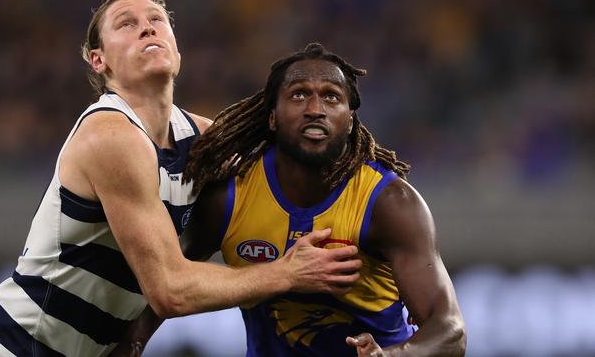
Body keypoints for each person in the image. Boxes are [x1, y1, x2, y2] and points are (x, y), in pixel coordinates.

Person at [0, 0, 362, 357]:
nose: (147, 27)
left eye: (156, 20)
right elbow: (169, 290)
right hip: (11, 347)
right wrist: (287, 272)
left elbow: (293, 163)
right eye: (127, 24)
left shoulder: (201, 138)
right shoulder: (110, 134)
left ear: (177, 51)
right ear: (100, 60)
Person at [120, 42, 467, 356]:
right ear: (272, 117)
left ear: (349, 121)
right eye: (299, 95)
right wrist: (132, 343)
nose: (315, 108)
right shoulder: (229, 196)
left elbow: (450, 330)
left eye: (331, 96)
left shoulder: (389, 203)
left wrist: (390, 356)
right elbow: (165, 283)